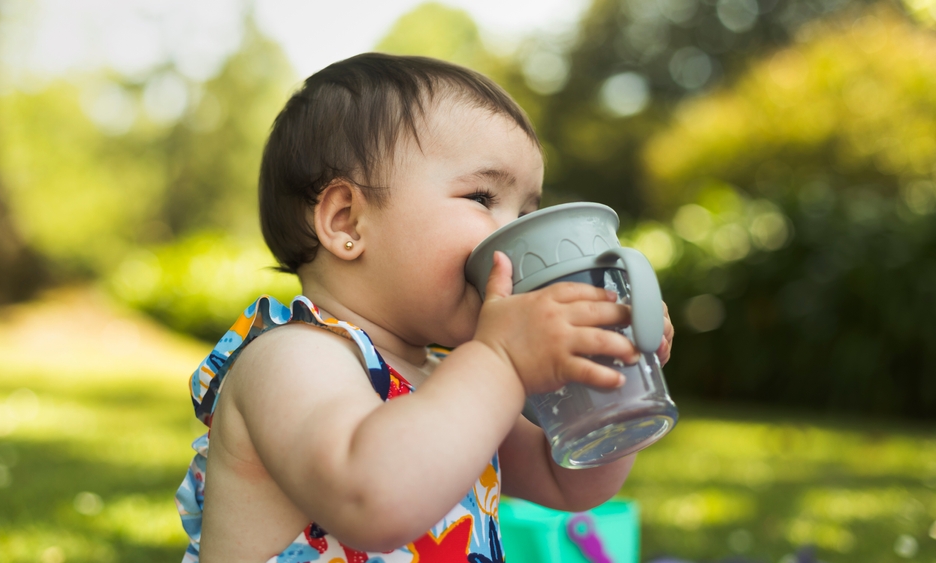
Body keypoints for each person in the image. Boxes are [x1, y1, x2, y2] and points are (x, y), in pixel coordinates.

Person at [175, 52, 674, 563]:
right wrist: (500, 362)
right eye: (482, 197)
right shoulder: (290, 358)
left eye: (527, 210)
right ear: (347, 222)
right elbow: (370, 501)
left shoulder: (449, 379)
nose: (514, 232)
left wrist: (614, 376)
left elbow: (566, 482)